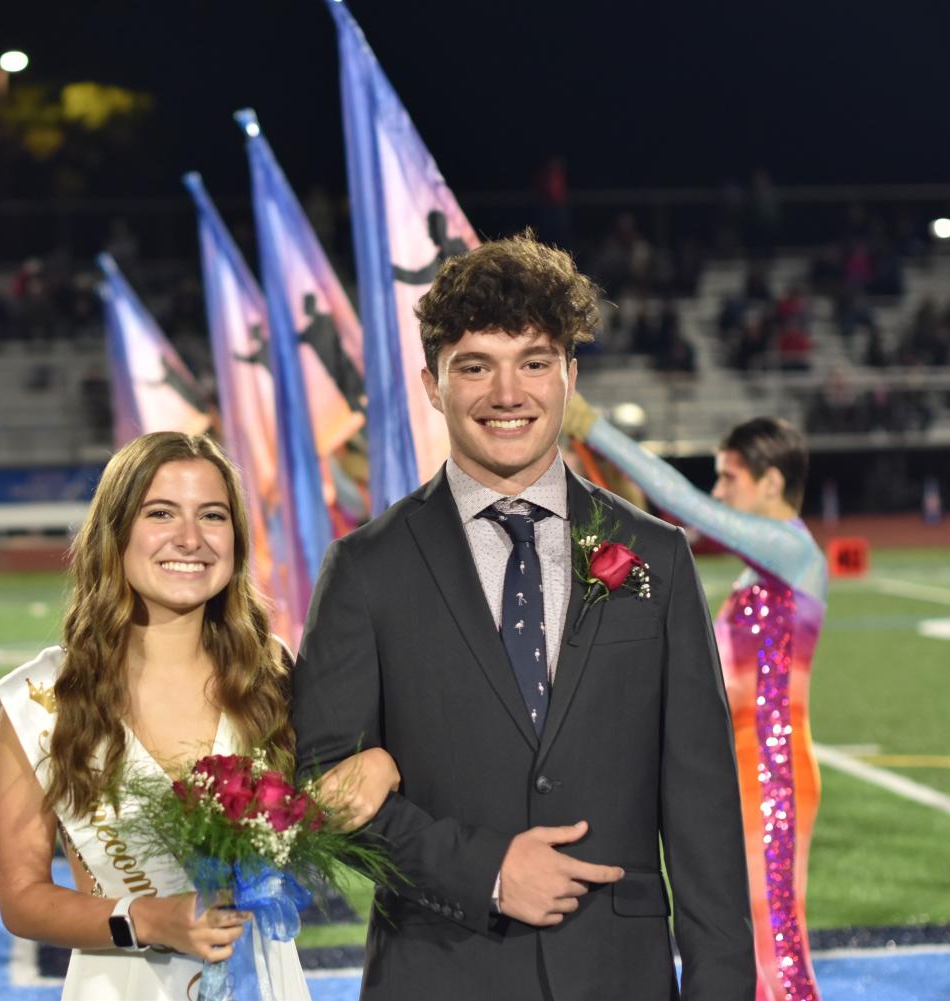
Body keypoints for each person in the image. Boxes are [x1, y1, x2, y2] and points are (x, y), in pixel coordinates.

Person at [292, 233, 754, 1000]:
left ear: (569, 378)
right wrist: (488, 870)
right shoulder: (365, 568)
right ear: (432, 385)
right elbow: (319, 782)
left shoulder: (657, 557)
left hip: (620, 976)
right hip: (436, 971)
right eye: (474, 365)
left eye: (534, 362)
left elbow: (704, 807)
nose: (507, 393)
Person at [0, 431, 397, 1001]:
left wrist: (379, 763)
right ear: (116, 532)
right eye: (160, 513)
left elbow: (327, 800)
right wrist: (152, 920)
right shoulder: (41, 702)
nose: (190, 539)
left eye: (213, 516)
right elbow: (22, 896)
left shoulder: (273, 675)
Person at [565, 400, 825, 1001]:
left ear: (772, 483)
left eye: (730, 476)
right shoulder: (755, 578)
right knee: (741, 943)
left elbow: (687, 510)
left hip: (773, 774)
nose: (719, 490)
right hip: (740, 768)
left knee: (774, 946)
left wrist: (594, 427)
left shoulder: (794, 553)